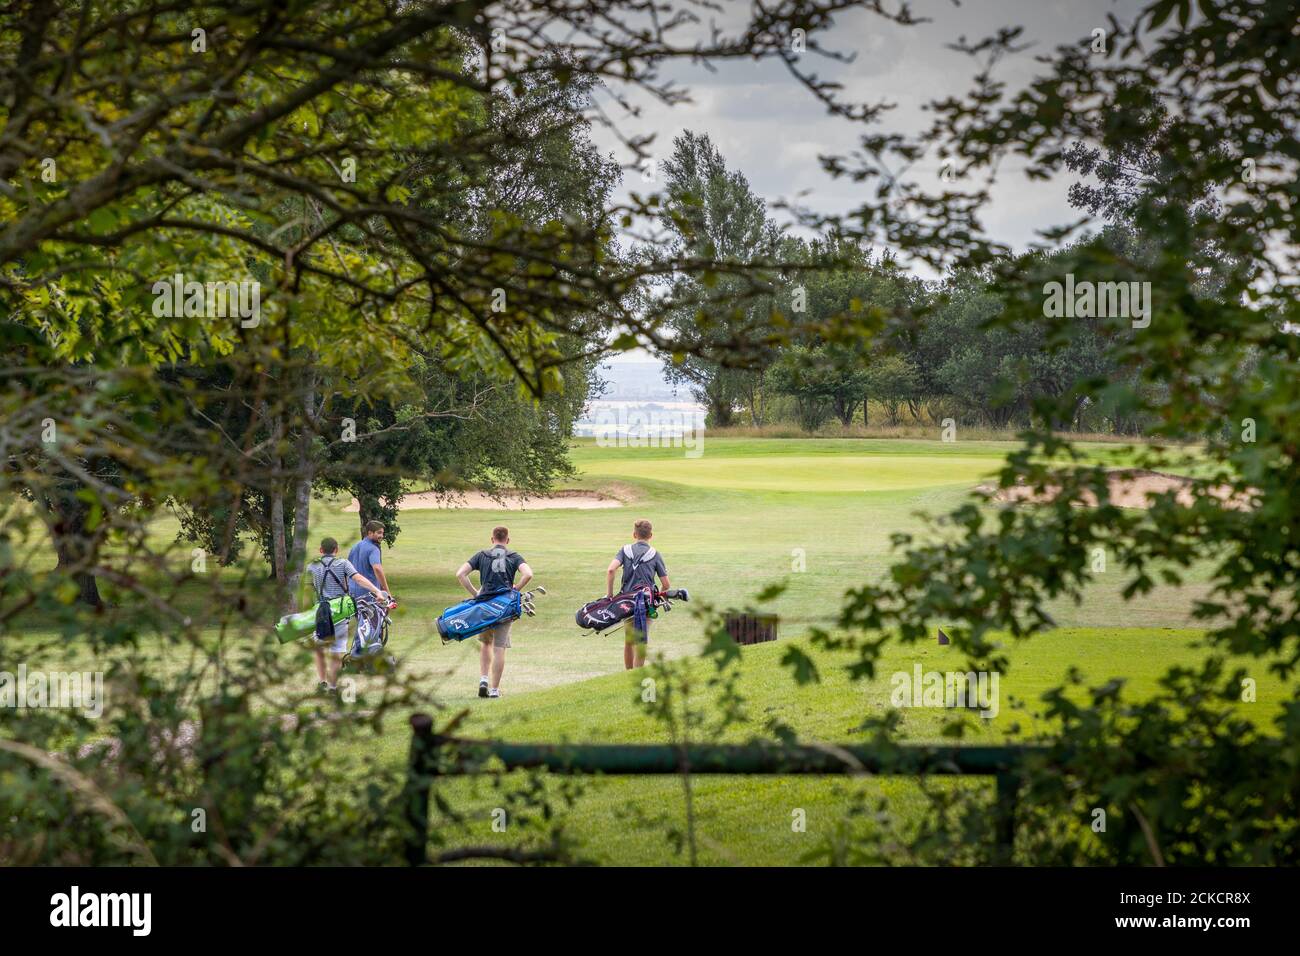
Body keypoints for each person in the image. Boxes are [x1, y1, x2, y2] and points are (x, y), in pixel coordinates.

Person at [455, 526, 532, 699]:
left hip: (484, 606)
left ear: (492, 540)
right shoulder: (514, 556)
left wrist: (475, 594)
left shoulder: (481, 555)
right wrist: (516, 589)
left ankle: (483, 679)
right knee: (499, 648)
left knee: (485, 643)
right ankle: (495, 690)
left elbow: (460, 574)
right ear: (508, 540)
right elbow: (528, 574)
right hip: (505, 607)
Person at [309, 536, 387, 694]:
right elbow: (358, 579)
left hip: (320, 611)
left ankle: (322, 681)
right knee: (337, 650)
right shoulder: (343, 563)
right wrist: (377, 591)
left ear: (321, 550)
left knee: (319, 648)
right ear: (336, 549)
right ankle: (332, 686)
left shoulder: (312, 566)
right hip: (339, 611)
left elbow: (308, 588)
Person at [606, 519, 670, 670]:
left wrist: (609, 595)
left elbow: (610, 570)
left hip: (626, 602)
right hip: (646, 602)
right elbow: (666, 584)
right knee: (641, 640)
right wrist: (657, 597)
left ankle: (628, 674)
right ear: (651, 535)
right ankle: (637, 674)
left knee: (629, 640)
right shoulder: (655, 554)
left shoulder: (625, 550)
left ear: (634, 534)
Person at [348, 520, 392, 601]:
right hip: (369, 593)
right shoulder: (373, 549)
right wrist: (387, 592)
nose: (381, 536)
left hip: (352, 592)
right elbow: (377, 569)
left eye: (382, 533)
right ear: (370, 533)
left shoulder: (354, 546)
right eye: (379, 533)